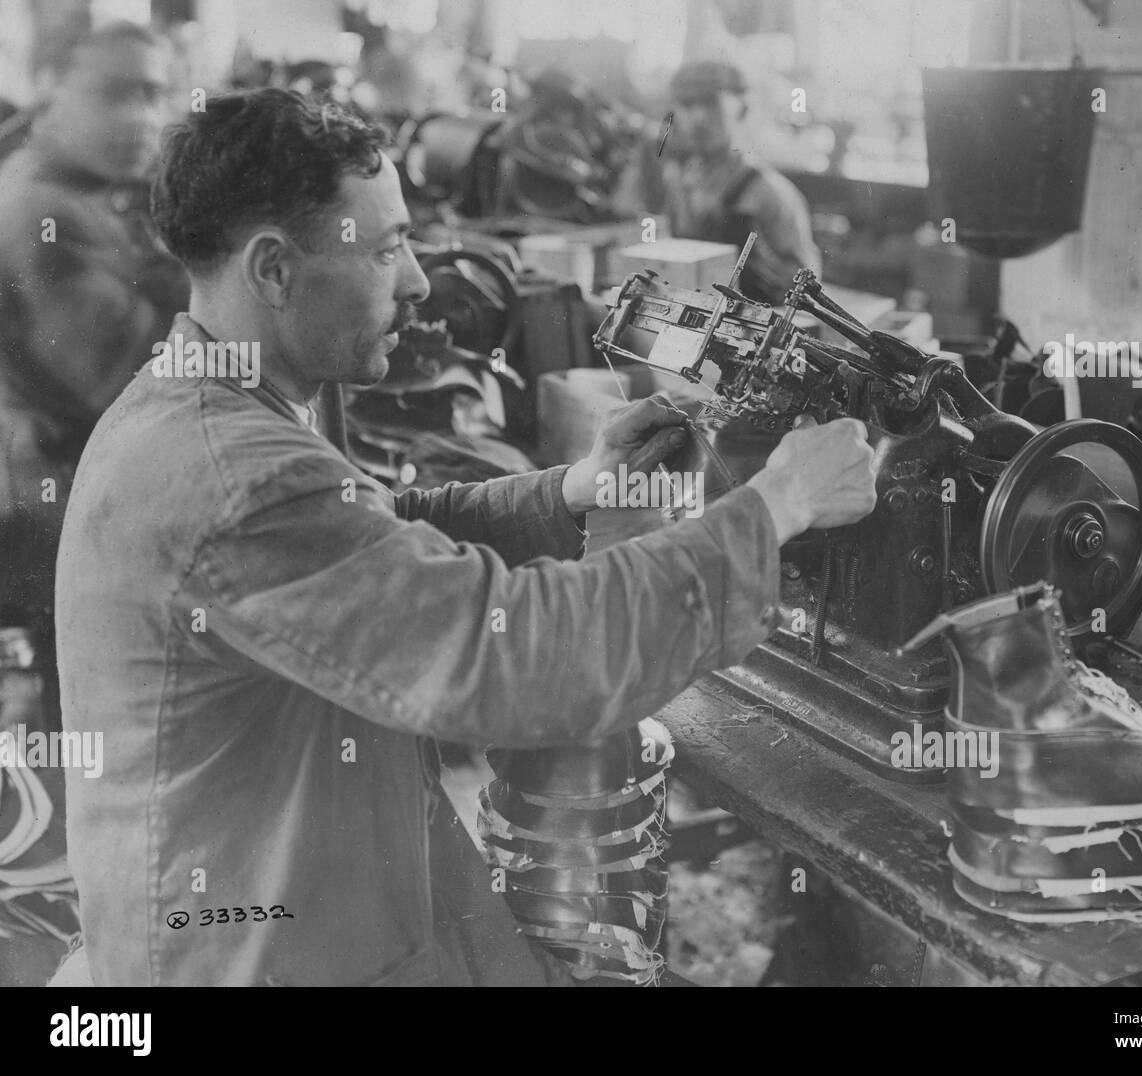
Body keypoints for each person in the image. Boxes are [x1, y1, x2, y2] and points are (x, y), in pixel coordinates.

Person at [52, 88, 879, 986]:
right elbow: (519, 656)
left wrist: (568, 493)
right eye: (388, 248)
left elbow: (373, 539)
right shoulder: (234, 475)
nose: (416, 280)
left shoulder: (221, 396)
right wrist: (775, 509)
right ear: (274, 271)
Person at [0, 20, 184, 640]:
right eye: (116, 93)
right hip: (68, 525)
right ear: (52, 86)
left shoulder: (96, 194)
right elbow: (133, 380)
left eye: (155, 95)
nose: (142, 118)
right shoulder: (42, 211)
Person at [661, 59, 822, 305]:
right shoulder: (679, 182)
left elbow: (809, 286)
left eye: (710, 103)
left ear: (742, 109)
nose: (699, 117)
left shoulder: (768, 192)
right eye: (687, 104)